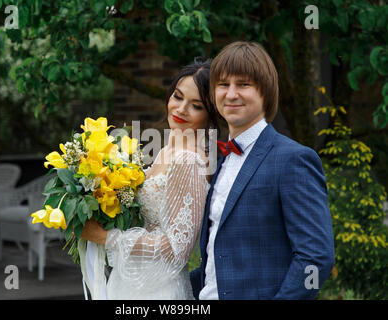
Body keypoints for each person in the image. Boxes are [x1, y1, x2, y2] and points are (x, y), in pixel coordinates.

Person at [190, 41, 335, 300]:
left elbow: (316, 258)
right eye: (223, 85)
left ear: (265, 92)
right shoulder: (221, 160)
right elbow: (217, 260)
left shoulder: (293, 159)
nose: (231, 94)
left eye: (243, 84)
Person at [81, 58, 218, 299]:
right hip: (132, 282)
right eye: (177, 96)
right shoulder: (167, 151)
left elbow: (177, 249)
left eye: (196, 105)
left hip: (158, 290)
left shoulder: (188, 161)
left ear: (210, 114)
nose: (181, 109)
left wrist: (106, 237)